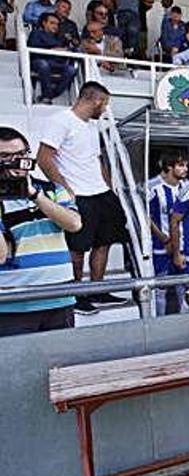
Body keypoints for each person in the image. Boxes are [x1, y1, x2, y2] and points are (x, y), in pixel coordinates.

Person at [36, 82, 129, 315]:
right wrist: (65, 189)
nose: (105, 109)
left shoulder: (90, 127)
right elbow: (44, 158)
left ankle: (97, 291)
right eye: (105, 103)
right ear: (95, 100)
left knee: (104, 241)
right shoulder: (61, 121)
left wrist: (109, 189)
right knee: (77, 248)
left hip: (101, 193)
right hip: (78, 194)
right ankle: (75, 295)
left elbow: (96, 161)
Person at [0, 127, 82, 336]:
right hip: (13, 305)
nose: (14, 162)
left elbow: (74, 224)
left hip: (60, 297)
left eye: (20, 155)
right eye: (5, 156)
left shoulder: (53, 189)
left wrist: (35, 194)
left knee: (61, 365)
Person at [148, 153, 188, 315]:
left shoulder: (187, 187)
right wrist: (163, 238)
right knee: (160, 288)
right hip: (160, 246)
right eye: (180, 165)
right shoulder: (152, 187)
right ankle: (160, 325)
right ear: (169, 167)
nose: (185, 169)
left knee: (184, 287)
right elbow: (145, 216)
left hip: (184, 245)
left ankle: (186, 324)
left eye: (186, 165)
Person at [27, 12, 77, 104]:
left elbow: (69, 49)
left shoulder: (59, 37)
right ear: (44, 23)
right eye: (52, 23)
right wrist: (53, 49)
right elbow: (33, 46)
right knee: (43, 65)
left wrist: (67, 47)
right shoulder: (36, 33)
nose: (55, 26)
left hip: (57, 63)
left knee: (71, 70)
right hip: (40, 60)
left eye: (57, 24)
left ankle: (49, 95)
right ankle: (46, 97)